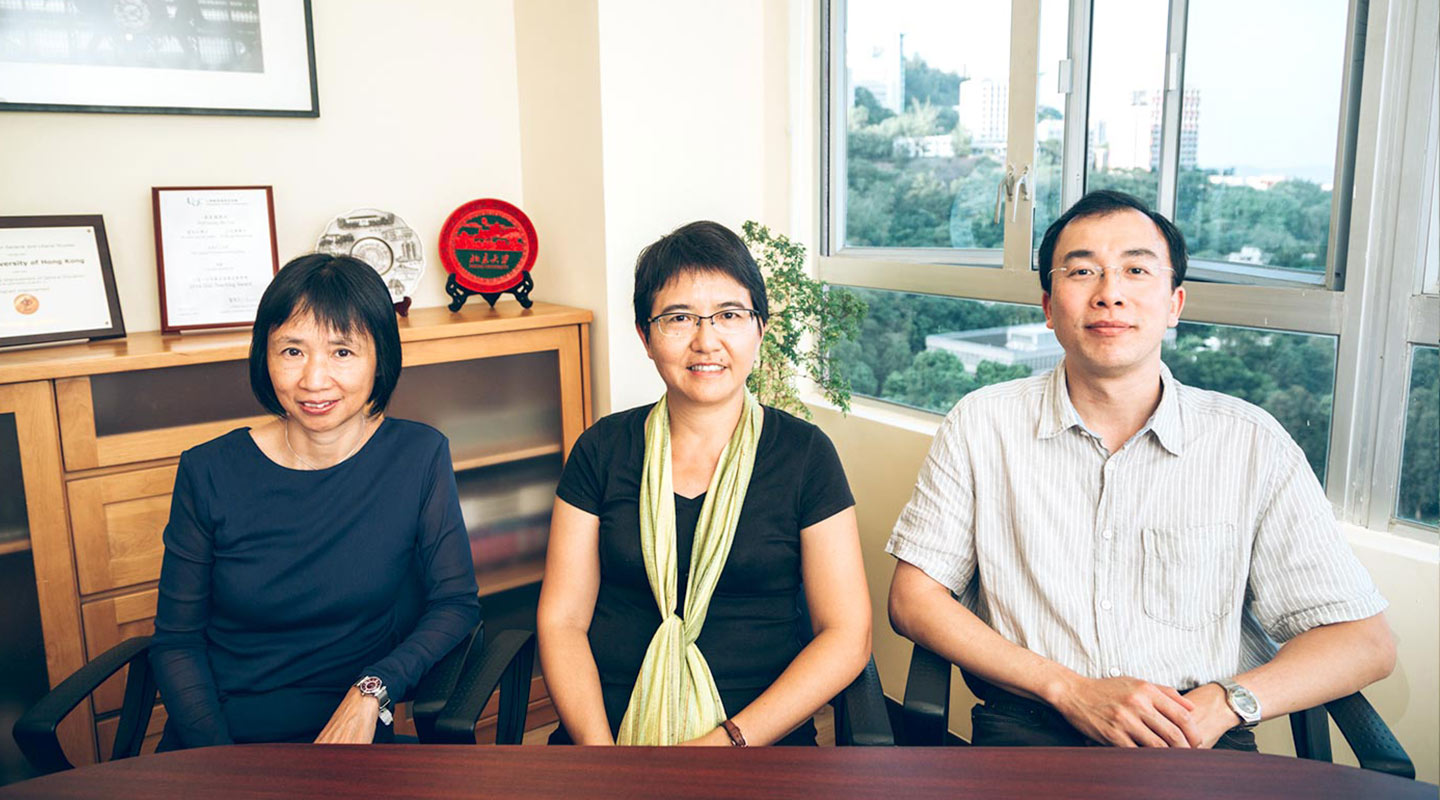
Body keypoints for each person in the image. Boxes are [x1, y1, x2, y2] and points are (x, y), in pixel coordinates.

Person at [886, 190, 1395, 750]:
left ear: (1175, 303)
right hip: (1030, 726)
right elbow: (914, 599)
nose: (1110, 294)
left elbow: (1364, 642)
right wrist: (1069, 689)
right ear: (1050, 307)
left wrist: (1226, 703)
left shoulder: (1250, 444)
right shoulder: (982, 424)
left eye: (1135, 269)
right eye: (1082, 271)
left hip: (1192, 735)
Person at [537, 221, 871, 746]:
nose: (706, 340)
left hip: (756, 743)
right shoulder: (602, 449)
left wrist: (724, 745)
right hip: (605, 738)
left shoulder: (805, 455)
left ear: (759, 329)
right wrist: (600, 758)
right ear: (646, 337)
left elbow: (847, 635)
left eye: (729, 316)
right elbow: (562, 621)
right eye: (678, 318)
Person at [150, 254, 481, 749]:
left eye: (343, 352)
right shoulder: (208, 471)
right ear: (264, 355)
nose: (314, 379)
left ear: (380, 359)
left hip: (354, 729)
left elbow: (455, 604)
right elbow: (177, 642)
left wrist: (374, 690)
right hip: (225, 732)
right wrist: (218, 764)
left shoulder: (418, 456)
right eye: (292, 351)